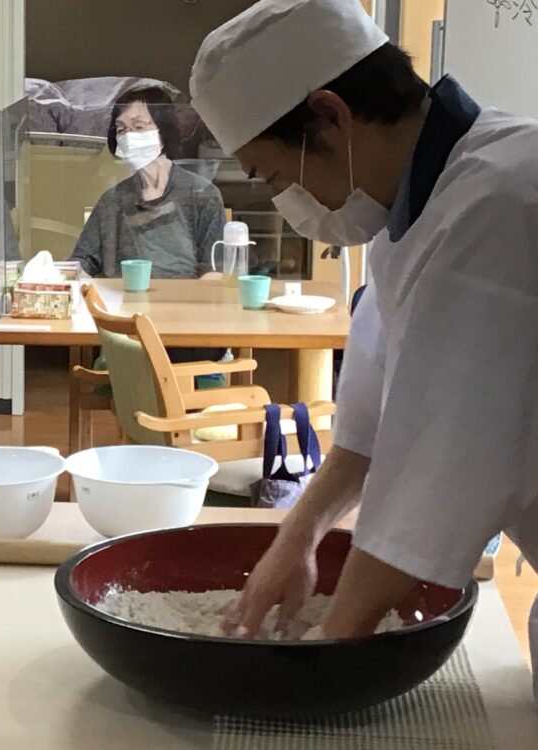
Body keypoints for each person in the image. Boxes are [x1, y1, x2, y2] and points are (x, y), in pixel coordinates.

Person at [190, 0, 537, 696]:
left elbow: (446, 461)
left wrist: (327, 654)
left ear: (330, 115)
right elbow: (374, 423)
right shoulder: (414, 209)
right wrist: (299, 537)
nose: (288, 198)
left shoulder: (500, 200)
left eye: (274, 176)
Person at [69, 87, 226, 279]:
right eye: (121, 129)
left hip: (184, 305)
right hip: (124, 305)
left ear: (164, 130)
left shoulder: (202, 194)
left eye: (139, 127)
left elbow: (214, 272)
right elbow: (81, 262)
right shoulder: (112, 200)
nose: (128, 136)